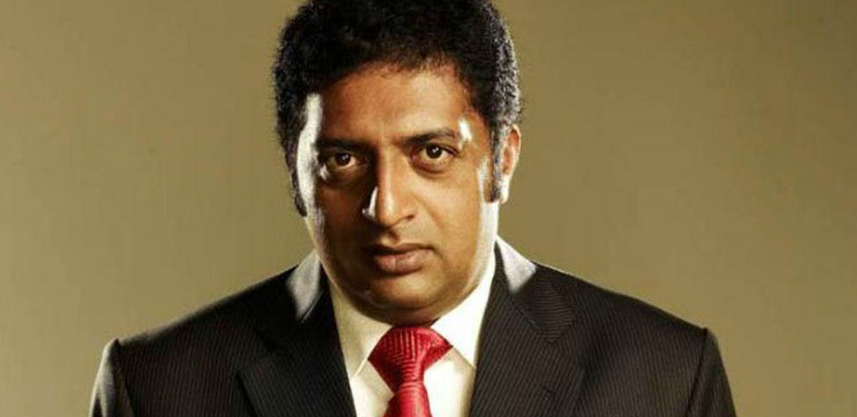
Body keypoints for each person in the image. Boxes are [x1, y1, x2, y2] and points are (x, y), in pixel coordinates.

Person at [90, 0, 737, 416]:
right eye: (343, 160)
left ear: (502, 158)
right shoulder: (159, 388)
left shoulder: (664, 379)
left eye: (431, 152)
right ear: (295, 169)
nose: (387, 207)